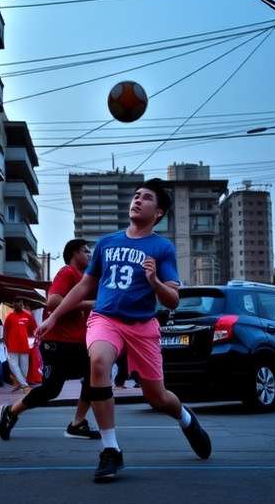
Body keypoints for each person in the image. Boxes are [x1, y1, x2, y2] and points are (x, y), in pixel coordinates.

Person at [36, 179, 212, 483]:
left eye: (146, 198)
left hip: (143, 326)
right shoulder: (107, 243)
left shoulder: (161, 247)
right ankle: (111, 450)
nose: (138, 200)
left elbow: (172, 299)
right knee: (99, 362)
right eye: (136, 195)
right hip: (106, 319)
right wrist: (54, 317)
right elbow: (84, 286)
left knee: (157, 397)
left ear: (158, 212)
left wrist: (155, 281)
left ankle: (185, 418)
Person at [0, 238, 101, 441]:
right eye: (85, 251)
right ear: (74, 254)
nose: (89, 255)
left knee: (94, 376)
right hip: (57, 342)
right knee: (51, 389)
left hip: (78, 343)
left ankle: (78, 423)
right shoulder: (67, 272)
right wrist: (87, 304)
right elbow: (52, 301)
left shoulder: (85, 278)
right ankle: (11, 412)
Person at [3, 298, 36, 392]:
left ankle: (20, 384)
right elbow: (5, 330)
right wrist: (5, 342)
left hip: (25, 346)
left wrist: (34, 341)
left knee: (24, 369)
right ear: (13, 305)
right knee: (13, 366)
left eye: (20, 303)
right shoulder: (10, 317)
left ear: (22, 304)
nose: (18, 305)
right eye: (16, 303)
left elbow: (33, 329)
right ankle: (25, 385)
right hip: (12, 346)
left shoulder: (28, 316)